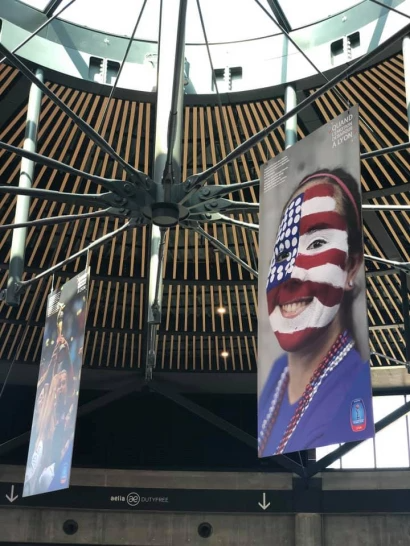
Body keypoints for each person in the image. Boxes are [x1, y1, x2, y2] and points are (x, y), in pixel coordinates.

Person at [258, 168, 374, 457]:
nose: (291, 274)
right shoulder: (276, 377)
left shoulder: (352, 387)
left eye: (317, 243)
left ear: (351, 267)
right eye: (283, 254)